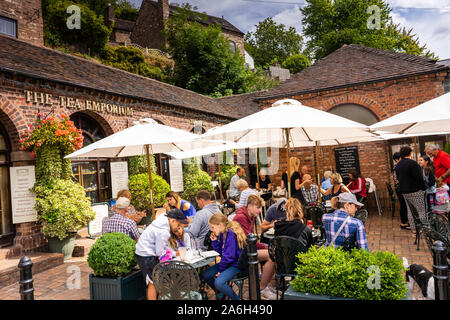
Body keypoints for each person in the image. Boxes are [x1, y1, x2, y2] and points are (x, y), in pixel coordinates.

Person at [259, 198, 313, 300]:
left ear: (287, 211)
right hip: (299, 266)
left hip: (281, 265)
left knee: (272, 258)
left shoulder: (278, 226)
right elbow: (309, 249)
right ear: (300, 210)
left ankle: (267, 288)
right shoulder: (306, 229)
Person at [135, 208, 189, 300]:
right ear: (172, 220)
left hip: (143, 252)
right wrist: (175, 253)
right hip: (146, 255)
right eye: (178, 224)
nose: (178, 227)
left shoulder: (162, 220)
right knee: (152, 282)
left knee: (157, 280)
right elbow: (160, 252)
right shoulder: (164, 232)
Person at [202, 213, 247, 300]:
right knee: (206, 275)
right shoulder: (223, 233)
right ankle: (220, 292)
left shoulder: (231, 234)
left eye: (212, 227)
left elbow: (229, 256)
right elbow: (223, 253)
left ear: (220, 225)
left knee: (219, 282)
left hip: (236, 264)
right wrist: (215, 242)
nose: (211, 230)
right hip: (228, 263)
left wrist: (220, 270)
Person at [395, 146, 427, 234]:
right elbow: (419, 178)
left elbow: (398, 178)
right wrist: (424, 188)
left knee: (410, 211)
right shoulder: (413, 163)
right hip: (416, 191)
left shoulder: (398, 165)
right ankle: (424, 228)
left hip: (404, 192)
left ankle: (414, 229)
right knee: (421, 210)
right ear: (410, 153)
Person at [233, 194, 270, 261]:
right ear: (249, 206)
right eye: (258, 208)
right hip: (240, 252)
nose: (260, 211)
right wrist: (266, 247)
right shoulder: (241, 218)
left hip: (248, 247)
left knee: (273, 251)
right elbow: (249, 240)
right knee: (272, 254)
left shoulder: (251, 216)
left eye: (261, 208)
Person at [393, 152, 410, 229]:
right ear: (396, 159)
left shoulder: (398, 166)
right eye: (401, 158)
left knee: (403, 205)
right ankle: (404, 222)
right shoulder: (397, 167)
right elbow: (398, 180)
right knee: (403, 205)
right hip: (400, 189)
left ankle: (404, 222)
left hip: (400, 188)